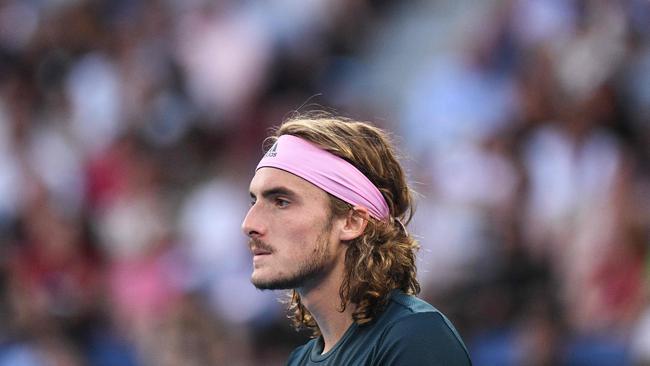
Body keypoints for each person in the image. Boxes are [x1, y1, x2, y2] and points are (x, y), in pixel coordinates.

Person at [242, 114, 472, 365]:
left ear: (351, 222)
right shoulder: (298, 360)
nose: (249, 224)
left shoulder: (416, 337)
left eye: (282, 202)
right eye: (254, 201)